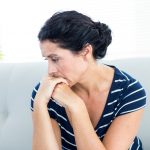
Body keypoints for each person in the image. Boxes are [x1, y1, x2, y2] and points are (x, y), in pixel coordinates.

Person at [30, 10, 147, 150]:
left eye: (55, 59)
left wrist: (76, 107)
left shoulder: (129, 91)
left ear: (85, 51)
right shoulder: (46, 91)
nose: (50, 71)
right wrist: (39, 103)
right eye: (47, 59)